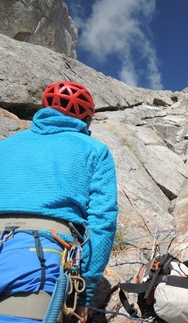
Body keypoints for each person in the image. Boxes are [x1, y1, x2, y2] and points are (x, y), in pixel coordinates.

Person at [0, 81, 118, 323]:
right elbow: (102, 222)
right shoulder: (95, 149)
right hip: (38, 253)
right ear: (86, 119)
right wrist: (85, 294)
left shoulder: (7, 145)